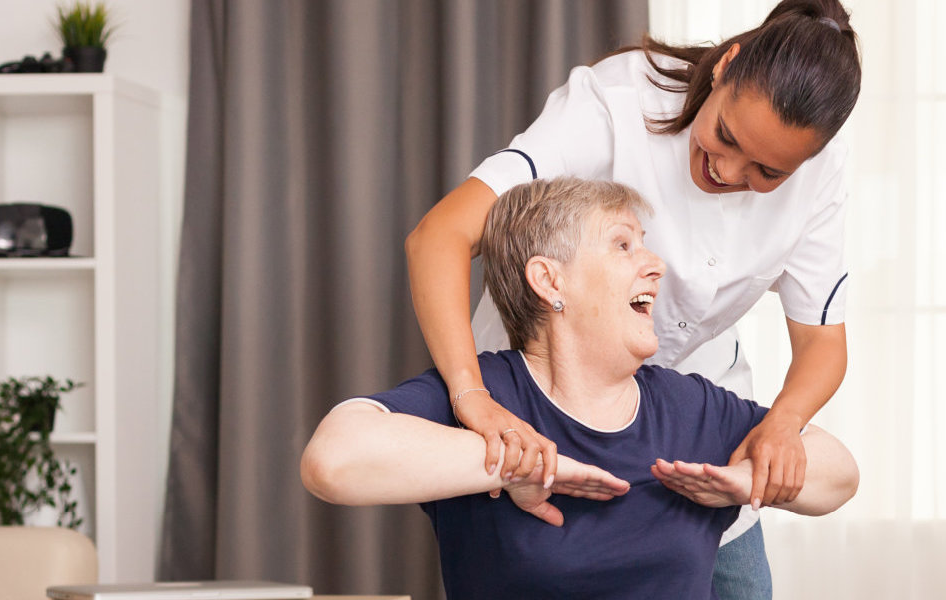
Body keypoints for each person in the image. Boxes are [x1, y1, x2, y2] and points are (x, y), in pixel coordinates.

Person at [403, 1, 863, 594]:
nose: (726, 171)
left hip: (688, 441)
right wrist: (472, 397)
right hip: (540, 417)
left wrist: (783, 424)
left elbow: (823, 340)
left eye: (766, 172)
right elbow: (439, 236)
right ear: (726, 65)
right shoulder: (615, 105)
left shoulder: (821, 175)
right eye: (725, 135)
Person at [306, 178, 861, 599]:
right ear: (551, 281)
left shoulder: (688, 407)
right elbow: (333, 460)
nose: (655, 265)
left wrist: (744, 481)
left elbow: (839, 474)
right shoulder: (492, 398)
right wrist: (515, 463)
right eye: (623, 246)